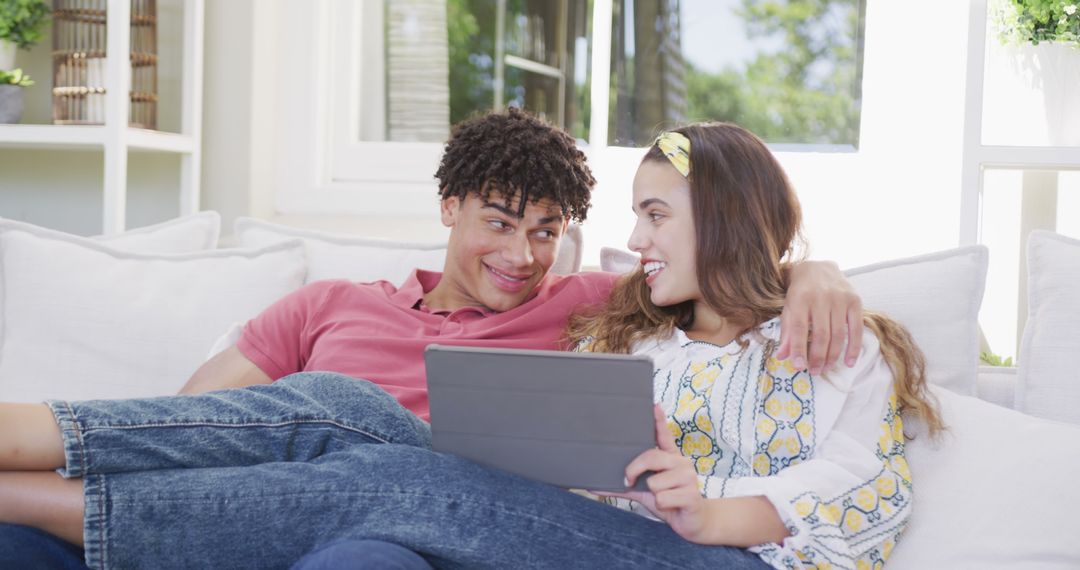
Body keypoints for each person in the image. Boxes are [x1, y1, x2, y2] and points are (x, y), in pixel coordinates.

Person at [0, 113, 867, 569]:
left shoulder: (602, 307)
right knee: (339, 407)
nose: (522, 256)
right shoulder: (329, 304)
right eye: (497, 222)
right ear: (448, 209)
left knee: (370, 525)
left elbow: (731, 273)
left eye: (545, 230)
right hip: (253, 501)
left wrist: (814, 270)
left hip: (425, 531)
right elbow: (189, 424)